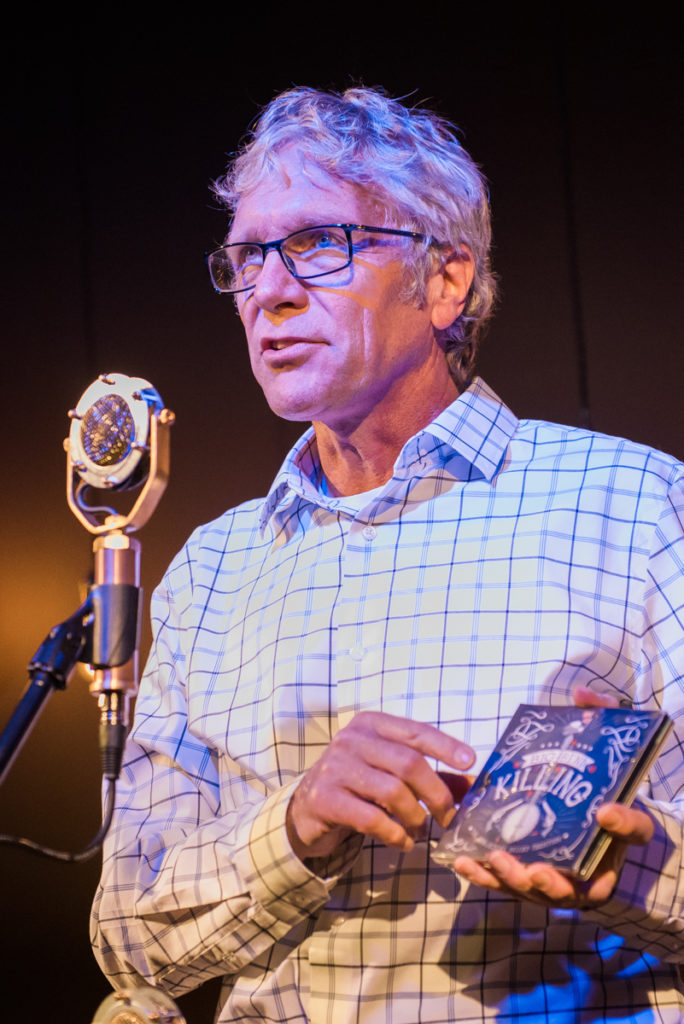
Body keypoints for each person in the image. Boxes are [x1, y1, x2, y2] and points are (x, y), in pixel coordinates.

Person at [91, 86, 684, 1022]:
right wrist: (295, 829)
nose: (270, 291)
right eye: (247, 258)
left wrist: (635, 868)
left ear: (445, 280)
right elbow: (130, 938)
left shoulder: (638, 506)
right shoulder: (211, 568)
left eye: (320, 245)